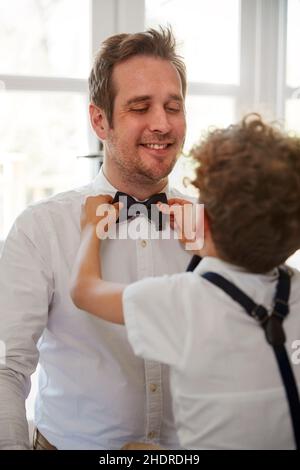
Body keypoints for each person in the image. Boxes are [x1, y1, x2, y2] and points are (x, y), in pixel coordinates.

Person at [0, 27, 193, 450]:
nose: (161, 124)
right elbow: (6, 369)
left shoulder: (211, 230)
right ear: (99, 120)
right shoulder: (40, 230)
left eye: (173, 107)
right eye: (140, 107)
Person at [71, 114, 300, 450]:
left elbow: (84, 290)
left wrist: (92, 227)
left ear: (203, 218)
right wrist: (208, 242)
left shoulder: (182, 300)